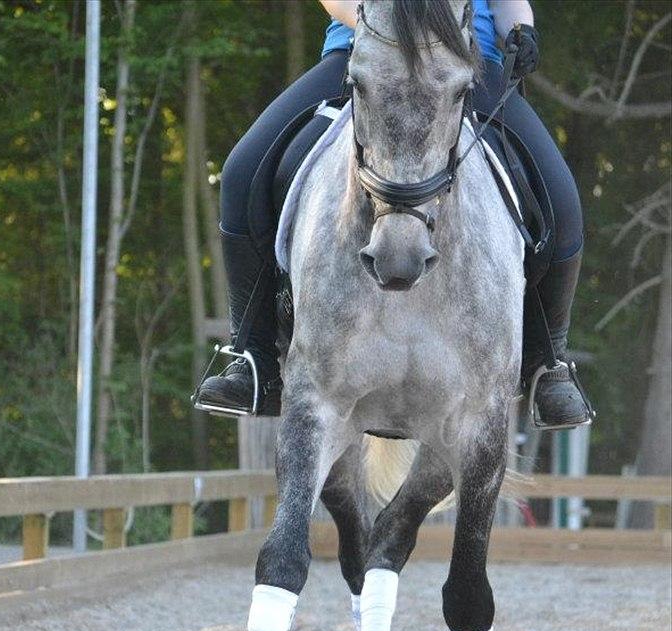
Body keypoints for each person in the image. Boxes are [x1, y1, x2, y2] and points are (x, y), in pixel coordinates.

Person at [195, 0, 592, 430]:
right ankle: (252, 357)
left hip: (467, 66)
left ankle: (547, 362)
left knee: (561, 199)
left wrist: (521, 32)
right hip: (363, 57)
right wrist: (378, 30)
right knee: (241, 172)